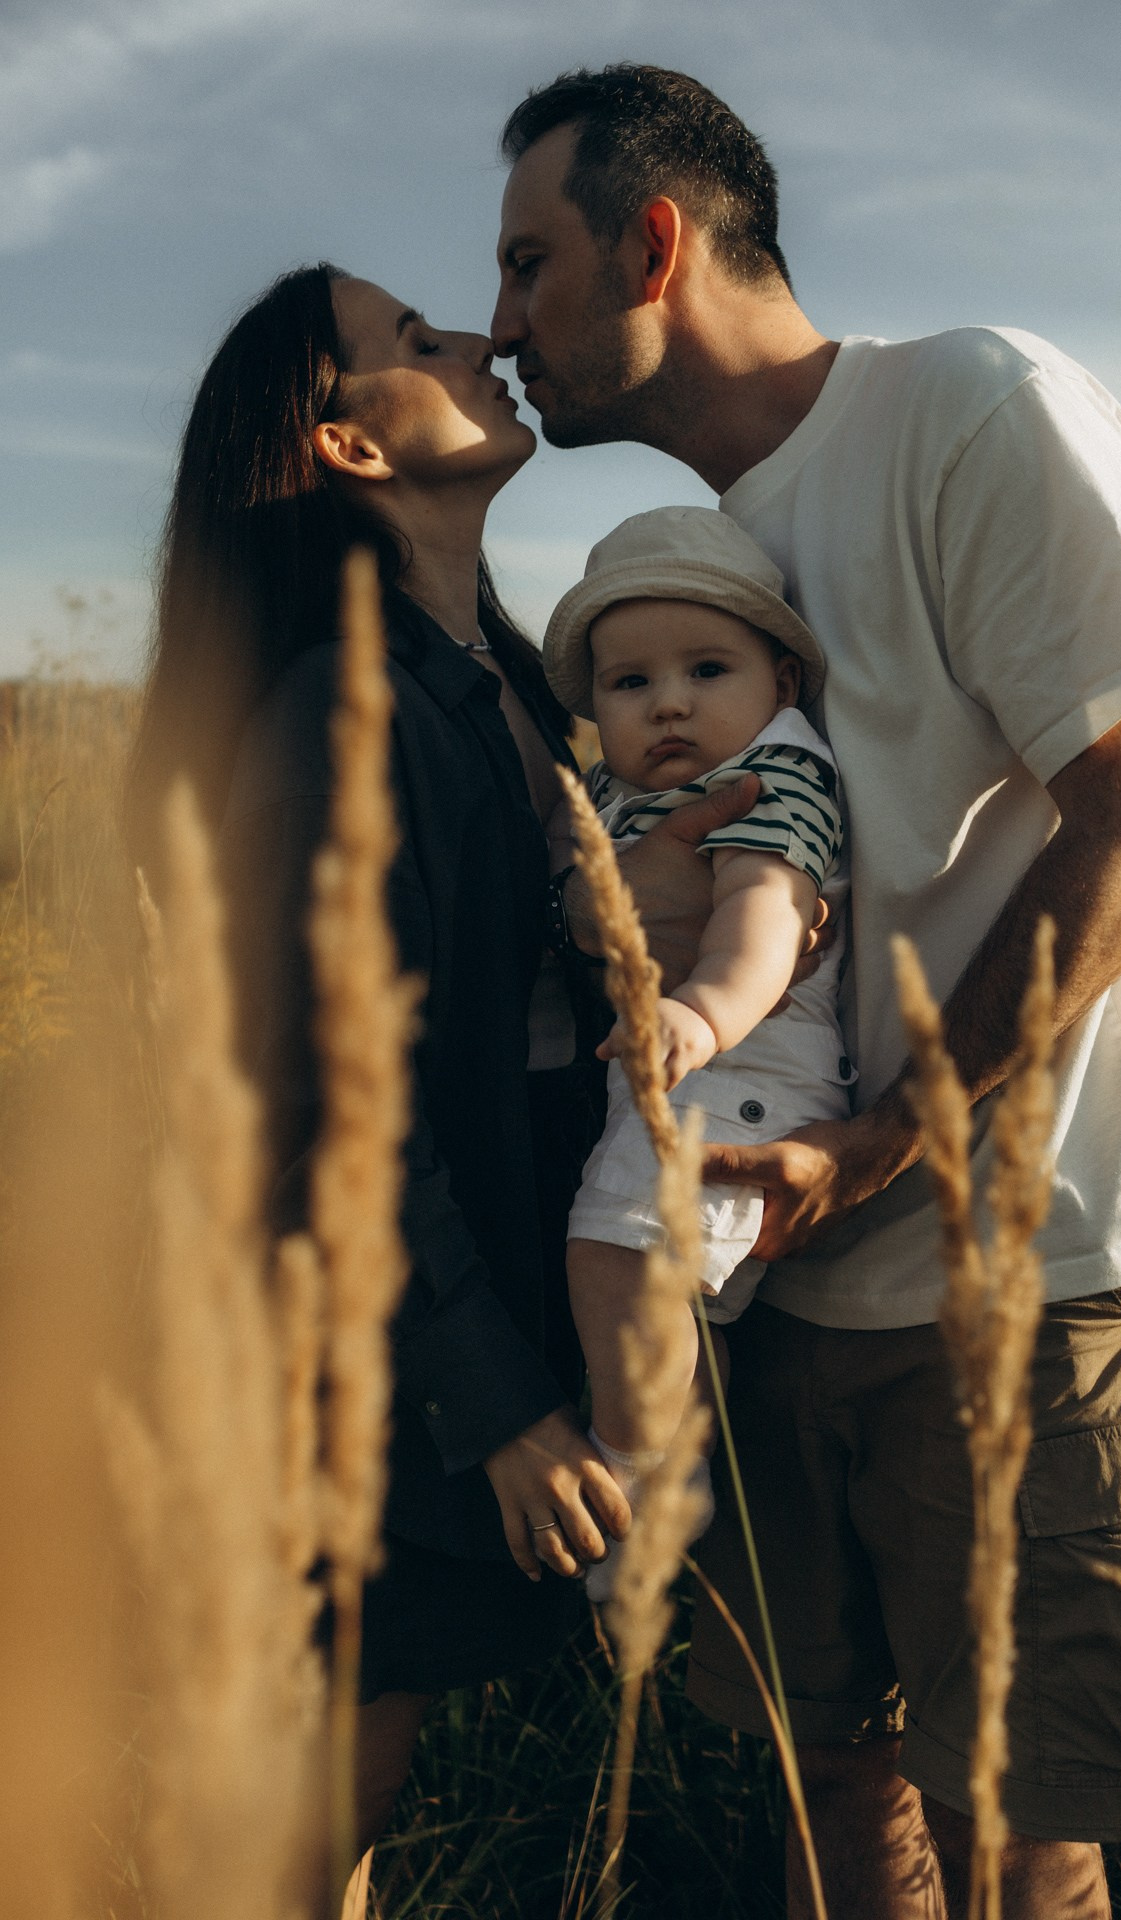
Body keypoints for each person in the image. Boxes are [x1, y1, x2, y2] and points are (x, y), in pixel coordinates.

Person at [490, 64, 1121, 1920]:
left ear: (655, 244)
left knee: (1021, 1827)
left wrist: (888, 1138)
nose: (503, 324)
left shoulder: (970, 407)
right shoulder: (710, 559)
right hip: (778, 1286)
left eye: (531, 264)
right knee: (830, 1785)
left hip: (1028, 1280)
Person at [123, 263, 653, 1882]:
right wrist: (493, 1408)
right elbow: (329, 1102)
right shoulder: (337, 711)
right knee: (331, 1781)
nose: (480, 340)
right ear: (350, 449)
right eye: (415, 344)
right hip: (404, 1336)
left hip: (497, 1267)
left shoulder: (492, 677)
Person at [540, 504, 853, 1585]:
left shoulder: (771, 774)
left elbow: (767, 913)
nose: (667, 702)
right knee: (645, 1282)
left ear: (782, 682)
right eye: (629, 686)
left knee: (610, 1252)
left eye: (705, 668)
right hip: (686, 1071)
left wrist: (702, 1010)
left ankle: (642, 1476)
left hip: (740, 1064)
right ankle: (667, 1454)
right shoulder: (624, 790)